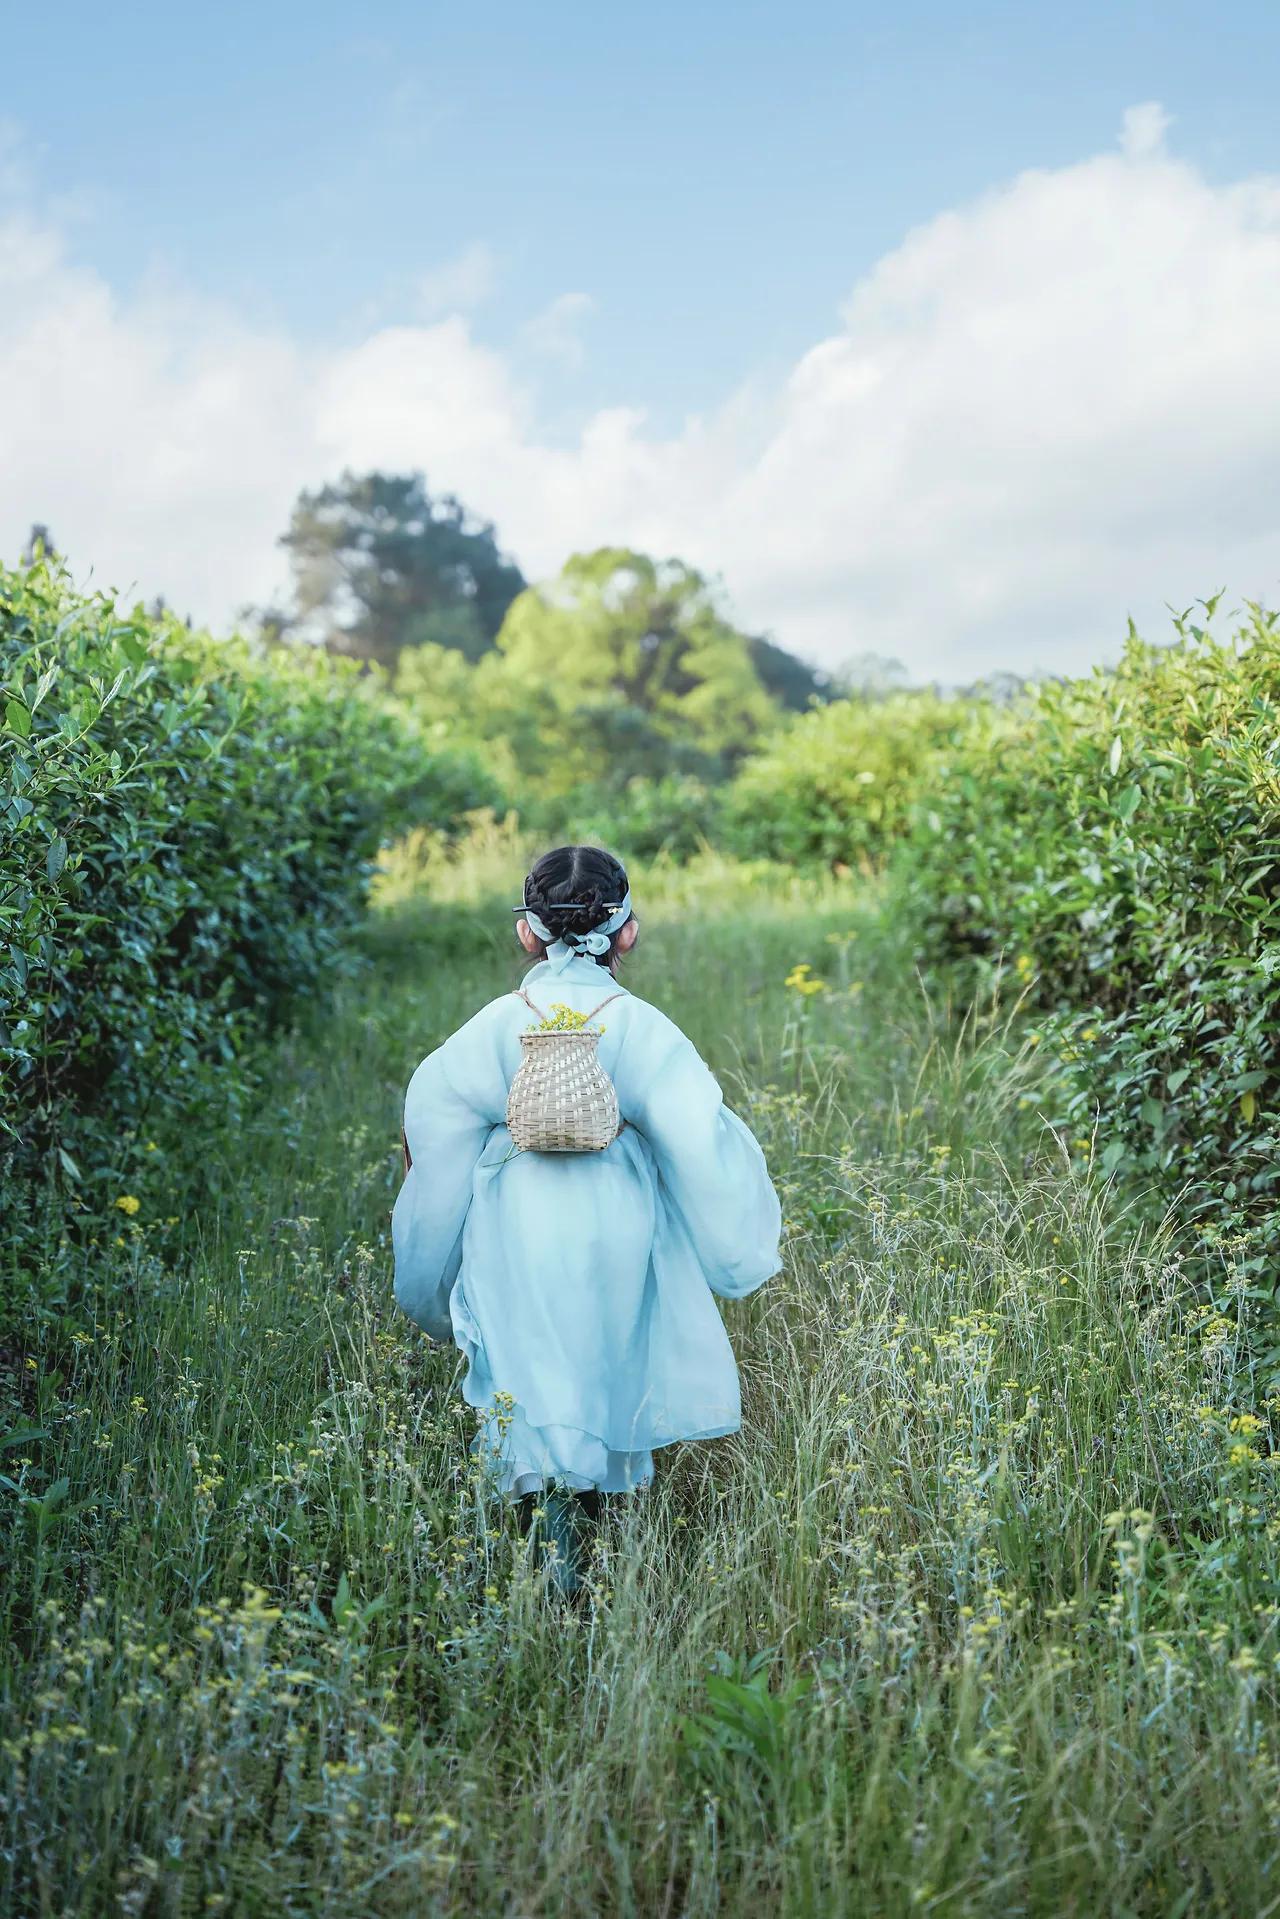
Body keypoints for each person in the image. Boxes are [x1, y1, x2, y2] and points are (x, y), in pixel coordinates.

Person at [391, 843, 782, 1595]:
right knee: (603, 1362)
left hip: (516, 1221)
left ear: (526, 933)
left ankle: (553, 1555)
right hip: (615, 1221)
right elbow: (700, 1137)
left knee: (532, 1371)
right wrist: (728, 1229)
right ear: (626, 932)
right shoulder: (641, 1028)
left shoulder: (495, 1026)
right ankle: (597, 1544)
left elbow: (430, 1119)